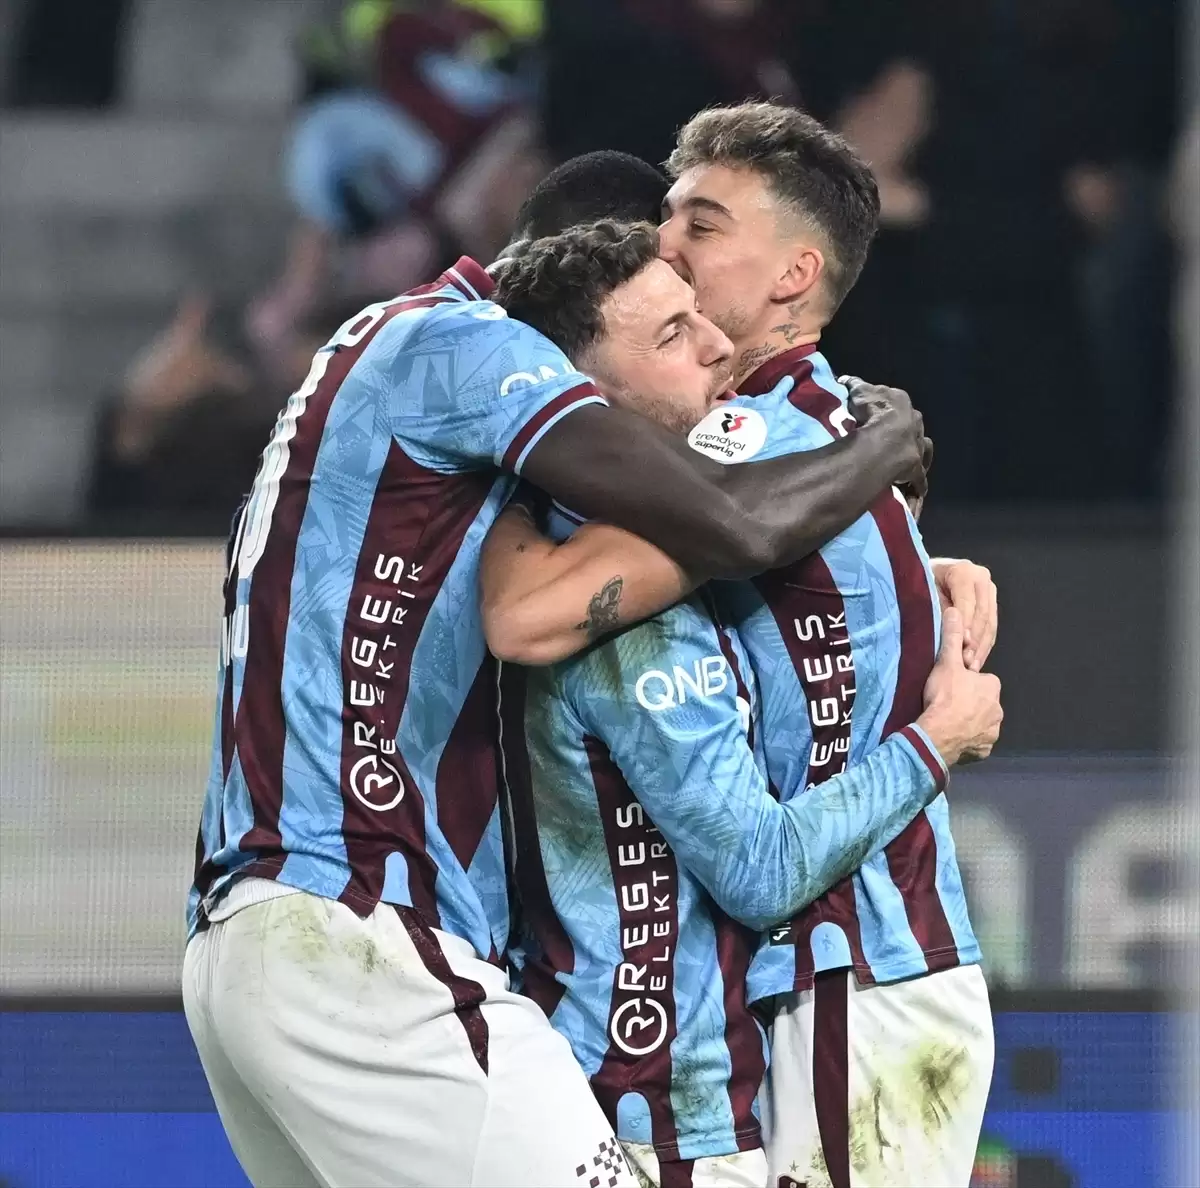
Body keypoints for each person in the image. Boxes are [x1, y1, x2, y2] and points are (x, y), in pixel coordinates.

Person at [182, 161, 930, 1184]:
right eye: (667, 309)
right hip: (361, 924)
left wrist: (920, 568)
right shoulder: (474, 346)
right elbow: (731, 524)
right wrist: (880, 446)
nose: (708, 333)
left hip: (255, 935)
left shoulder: (393, 355)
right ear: (580, 280)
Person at [486, 220, 1003, 1188]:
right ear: (580, 397)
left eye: (697, 311)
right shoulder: (624, 619)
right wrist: (938, 739)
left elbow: (755, 539)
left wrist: (905, 570)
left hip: (671, 1095)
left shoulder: (621, 553)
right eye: (672, 334)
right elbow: (759, 868)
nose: (719, 344)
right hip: (658, 1115)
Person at [658, 102, 995, 1187]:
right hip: (860, 969)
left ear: (795, 275)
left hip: (852, 962)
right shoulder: (836, 432)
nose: (663, 244)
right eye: (668, 215)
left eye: (703, 225)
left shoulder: (754, 435)